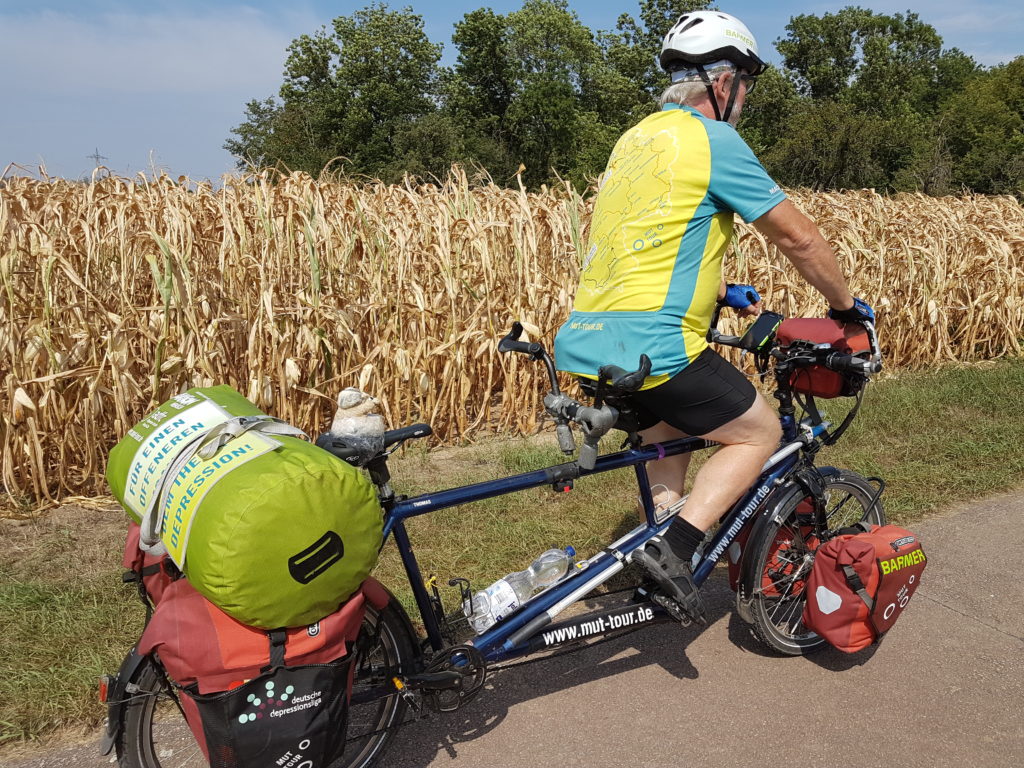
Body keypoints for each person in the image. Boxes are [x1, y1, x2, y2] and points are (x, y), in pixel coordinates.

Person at [553, 11, 874, 622]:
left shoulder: (636, 139)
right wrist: (844, 309)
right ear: (722, 83)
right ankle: (676, 548)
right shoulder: (713, 139)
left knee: (667, 438)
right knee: (759, 433)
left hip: (590, 339)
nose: (745, 100)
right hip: (656, 343)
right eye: (746, 85)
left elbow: (646, 242)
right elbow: (800, 240)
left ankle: (656, 547)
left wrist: (719, 289)